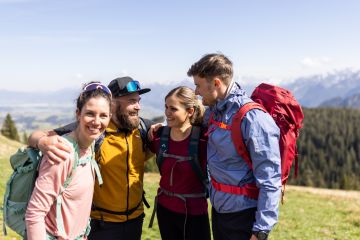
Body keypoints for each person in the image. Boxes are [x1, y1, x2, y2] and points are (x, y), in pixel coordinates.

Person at [28, 77, 153, 240]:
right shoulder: (94, 130)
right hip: (102, 225)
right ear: (113, 104)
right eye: (131, 101)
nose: (138, 106)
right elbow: (39, 135)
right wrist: (41, 141)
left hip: (135, 220)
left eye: (138, 100)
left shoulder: (142, 128)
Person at [187, 53, 281, 240]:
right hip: (220, 210)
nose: (196, 92)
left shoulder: (253, 119)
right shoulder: (215, 111)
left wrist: (261, 231)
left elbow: (270, 180)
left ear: (216, 83)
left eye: (198, 85)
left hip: (244, 216)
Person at [25, 82, 112, 239]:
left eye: (103, 115)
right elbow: (34, 214)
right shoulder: (63, 153)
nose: (97, 122)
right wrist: (39, 140)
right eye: (90, 114)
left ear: (110, 118)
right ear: (78, 114)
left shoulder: (90, 144)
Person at [148, 86, 211, 240]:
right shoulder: (158, 136)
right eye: (166, 107)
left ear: (190, 111)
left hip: (195, 213)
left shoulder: (205, 139)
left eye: (173, 109)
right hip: (165, 210)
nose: (167, 113)